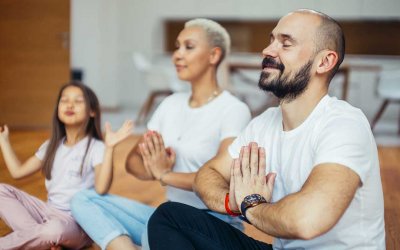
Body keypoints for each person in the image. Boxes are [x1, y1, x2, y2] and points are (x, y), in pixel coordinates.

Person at [147, 9, 386, 250]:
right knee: (170, 216)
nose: (268, 51)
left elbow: (307, 221)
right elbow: (206, 176)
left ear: (324, 62)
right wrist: (234, 202)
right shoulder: (264, 123)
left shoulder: (344, 123)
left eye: (286, 43)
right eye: (272, 40)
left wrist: (252, 205)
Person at [70, 18, 251, 250]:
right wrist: (155, 165)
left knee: (158, 232)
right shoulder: (169, 104)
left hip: (214, 223)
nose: (177, 55)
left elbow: (222, 178)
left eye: (189, 46)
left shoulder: (234, 110)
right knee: (83, 199)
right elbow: (133, 162)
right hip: (167, 215)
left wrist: (165, 175)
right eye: (177, 46)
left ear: (213, 55)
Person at [0, 81, 133, 250]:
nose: (70, 104)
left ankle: (41, 240)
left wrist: (110, 148)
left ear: (92, 111)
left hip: (76, 223)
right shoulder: (51, 145)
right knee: (2, 191)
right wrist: (3, 141)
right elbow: (17, 173)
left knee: (53, 230)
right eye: (64, 100)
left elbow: (101, 188)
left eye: (78, 101)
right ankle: (44, 241)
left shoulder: (97, 147)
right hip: (47, 213)